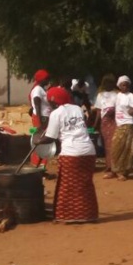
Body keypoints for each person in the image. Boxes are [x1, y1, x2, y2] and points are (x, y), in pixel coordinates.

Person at [44, 86, 98, 223]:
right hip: (89, 152)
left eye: (49, 101)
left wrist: (38, 140)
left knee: (66, 185)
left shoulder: (56, 113)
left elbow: (50, 137)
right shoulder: (77, 109)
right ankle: (89, 215)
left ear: (54, 101)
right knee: (86, 185)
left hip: (71, 154)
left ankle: (67, 216)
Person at [111, 76, 133, 180]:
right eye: (123, 85)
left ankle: (122, 172)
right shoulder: (118, 96)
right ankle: (115, 170)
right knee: (116, 147)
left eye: (127, 85)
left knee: (125, 149)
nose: (125, 87)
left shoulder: (130, 96)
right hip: (120, 124)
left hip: (128, 124)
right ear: (119, 85)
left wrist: (132, 112)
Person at [94, 75, 118, 178]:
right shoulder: (100, 95)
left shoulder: (117, 94)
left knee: (114, 145)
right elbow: (99, 111)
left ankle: (116, 167)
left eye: (110, 82)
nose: (108, 84)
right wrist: (96, 124)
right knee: (107, 146)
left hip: (115, 121)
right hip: (105, 122)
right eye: (106, 82)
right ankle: (109, 166)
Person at [29, 69, 51, 168]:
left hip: (44, 118)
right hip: (41, 119)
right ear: (41, 79)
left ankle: (41, 167)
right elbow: (37, 105)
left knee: (44, 142)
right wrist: (39, 122)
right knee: (40, 141)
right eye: (46, 78)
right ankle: (36, 166)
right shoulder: (37, 89)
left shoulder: (42, 89)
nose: (48, 80)